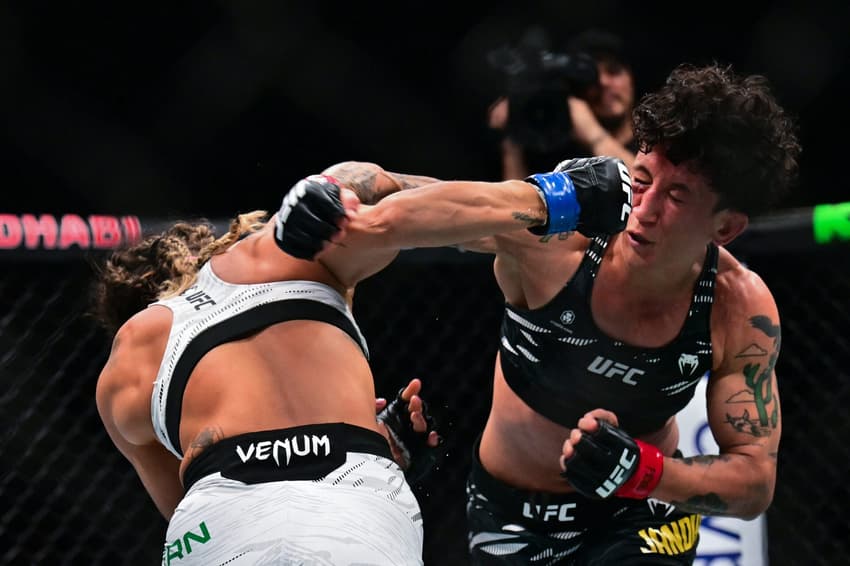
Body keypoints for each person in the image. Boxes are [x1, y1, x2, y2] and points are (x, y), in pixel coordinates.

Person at [276, 62, 800, 564]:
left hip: (641, 511)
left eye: (678, 196)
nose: (646, 208)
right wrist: (332, 190)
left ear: (726, 226)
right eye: (641, 180)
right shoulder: (562, 236)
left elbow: (755, 480)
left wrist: (645, 473)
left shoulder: (737, 305)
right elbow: (400, 189)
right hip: (513, 517)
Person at [90, 208, 440, 565]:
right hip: (352, 499)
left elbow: (186, 508)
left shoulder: (123, 372)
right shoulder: (283, 273)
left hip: (224, 521)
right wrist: (379, 447)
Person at [488, 27, 638, 179]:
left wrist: (594, 135)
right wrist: (514, 137)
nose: (603, 82)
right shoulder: (560, 153)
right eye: (590, 79)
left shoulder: (653, 142)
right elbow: (514, 201)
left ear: (631, 79)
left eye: (613, 72)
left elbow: (646, 189)